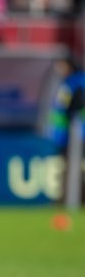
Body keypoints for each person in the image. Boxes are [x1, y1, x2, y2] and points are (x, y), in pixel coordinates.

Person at [47, 55, 85, 205]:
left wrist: (71, 117)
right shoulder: (69, 82)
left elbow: (77, 105)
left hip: (76, 134)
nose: (59, 70)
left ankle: (73, 199)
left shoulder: (76, 82)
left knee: (73, 167)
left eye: (61, 66)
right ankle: (69, 198)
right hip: (68, 135)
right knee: (69, 167)